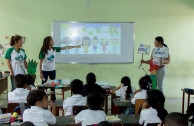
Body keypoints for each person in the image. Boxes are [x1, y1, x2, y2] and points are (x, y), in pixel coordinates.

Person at [39, 36, 80, 101]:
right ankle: (41, 99)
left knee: (53, 86)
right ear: (48, 42)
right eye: (51, 40)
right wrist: (40, 73)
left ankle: (53, 99)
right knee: (43, 86)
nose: (53, 41)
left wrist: (75, 46)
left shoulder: (54, 49)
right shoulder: (43, 51)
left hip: (52, 70)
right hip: (45, 70)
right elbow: (40, 63)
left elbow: (65, 47)